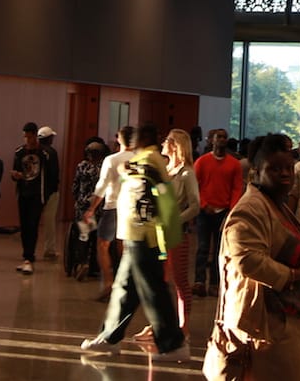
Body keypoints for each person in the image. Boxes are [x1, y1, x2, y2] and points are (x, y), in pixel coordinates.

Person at [203, 133, 300, 381]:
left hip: (283, 322)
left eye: (288, 169)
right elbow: (247, 260)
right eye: (275, 169)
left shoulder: (275, 204)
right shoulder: (250, 209)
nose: (285, 175)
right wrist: (296, 274)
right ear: (256, 172)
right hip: (264, 328)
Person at [80, 123, 189, 363]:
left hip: (145, 237)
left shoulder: (149, 162)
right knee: (124, 289)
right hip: (134, 236)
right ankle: (110, 337)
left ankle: (173, 344)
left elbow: (164, 200)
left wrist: (168, 244)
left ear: (139, 141)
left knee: (152, 291)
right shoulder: (144, 160)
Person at [149, 127, 200, 342]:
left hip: (176, 232)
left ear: (175, 145)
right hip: (158, 230)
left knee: (179, 280)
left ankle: (184, 326)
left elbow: (195, 205)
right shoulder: (166, 169)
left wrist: (176, 220)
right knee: (158, 280)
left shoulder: (187, 173)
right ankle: (156, 325)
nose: (162, 143)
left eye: (167, 140)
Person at [84, 125, 135, 301]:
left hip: (113, 206)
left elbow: (102, 186)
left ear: (119, 139)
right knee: (125, 246)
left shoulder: (112, 160)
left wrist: (91, 208)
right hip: (132, 208)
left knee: (103, 244)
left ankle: (108, 282)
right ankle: (125, 283)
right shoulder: (140, 159)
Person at [193, 127, 244, 297]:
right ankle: (199, 281)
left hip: (224, 211)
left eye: (224, 137)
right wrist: (203, 204)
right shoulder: (202, 162)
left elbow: (237, 188)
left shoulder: (234, 164)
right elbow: (195, 186)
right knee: (202, 247)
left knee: (219, 250)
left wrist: (232, 209)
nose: (222, 140)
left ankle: (215, 282)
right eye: (218, 137)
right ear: (211, 140)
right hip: (204, 211)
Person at [11, 121, 51, 275]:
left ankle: (28, 257)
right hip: (23, 193)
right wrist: (16, 176)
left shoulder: (44, 153)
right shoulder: (19, 152)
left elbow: (50, 175)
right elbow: (15, 170)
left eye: (29, 137)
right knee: (24, 226)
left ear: (35, 135)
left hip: (37, 194)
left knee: (33, 224)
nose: (27, 140)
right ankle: (26, 256)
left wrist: (47, 194)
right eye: (25, 137)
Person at [68, 139, 107, 280]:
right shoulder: (104, 168)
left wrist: (78, 200)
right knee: (96, 238)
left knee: (84, 236)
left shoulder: (82, 166)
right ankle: (94, 265)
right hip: (99, 208)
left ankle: (82, 262)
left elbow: (75, 187)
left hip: (84, 208)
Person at [36, 126, 61, 262]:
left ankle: (30, 250)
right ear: (49, 138)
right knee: (49, 222)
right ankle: (49, 250)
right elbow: (54, 173)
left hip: (35, 192)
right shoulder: (52, 152)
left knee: (33, 222)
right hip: (50, 191)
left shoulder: (35, 151)